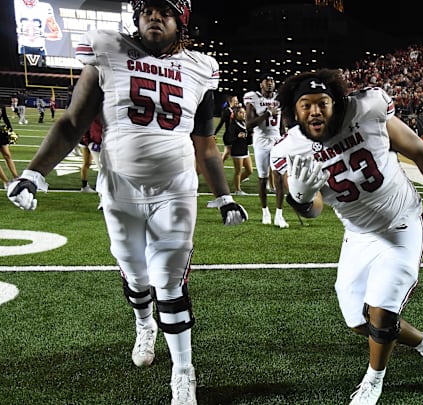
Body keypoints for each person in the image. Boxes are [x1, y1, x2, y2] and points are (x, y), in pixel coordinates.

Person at [6, 1, 249, 404]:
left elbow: (205, 145)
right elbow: (71, 123)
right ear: (136, 17)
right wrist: (33, 172)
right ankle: (144, 324)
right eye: (148, 10)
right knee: (137, 278)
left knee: (169, 283)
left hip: (176, 189)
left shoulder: (201, 66)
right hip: (119, 189)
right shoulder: (108, 48)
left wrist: (224, 196)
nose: (155, 16)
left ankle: (184, 372)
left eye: (165, 11)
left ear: (180, 21)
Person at [271, 69, 423, 405]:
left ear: (336, 102)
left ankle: (373, 381)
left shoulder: (367, 110)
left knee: (382, 313)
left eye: (322, 103)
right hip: (358, 233)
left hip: (401, 223)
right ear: (294, 110)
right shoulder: (293, 149)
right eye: (306, 105)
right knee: (357, 320)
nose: (315, 111)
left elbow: (418, 150)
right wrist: (301, 200)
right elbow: (315, 210)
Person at [244, 75, 288, 228]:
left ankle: (279, 215)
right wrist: (267, 114)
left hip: (276, 140)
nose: (270, 83)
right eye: (267, 81)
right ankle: (265, 212)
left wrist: (285, 138)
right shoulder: (253, 98)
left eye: (272, 81)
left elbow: (281, 124)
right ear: (261, 84)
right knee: (263, 178)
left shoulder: (279, 98)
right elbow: (248, 124)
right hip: (261, 141)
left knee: (279, 177)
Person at [227, 104, 253, 195]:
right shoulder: (233, 125)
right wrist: (237, 137)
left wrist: (251, 136)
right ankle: (237, 190)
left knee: (250, 170)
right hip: (237, 151)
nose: (243, 114)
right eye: (241, 113)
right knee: (238, 171)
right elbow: (228, 139)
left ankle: (236, 182)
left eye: (244, 113)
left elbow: (248, 140)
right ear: (236, 114)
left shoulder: (244, 123)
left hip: (245, 149)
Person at [79, 117, 103, 194]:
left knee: (90, 163)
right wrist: (88, 142)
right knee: (87, 163)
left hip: (93, 140)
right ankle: (84, 186)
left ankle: (99, 185)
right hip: (87, 140)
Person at [214, 94, 239, 162]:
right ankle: (218, 166)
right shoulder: (226, 112)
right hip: (228, 136)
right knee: (227, 153)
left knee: (231, 153)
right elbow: (220, 124)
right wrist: (214, 133)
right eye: (235, 101)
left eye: (237, 101)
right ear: (230, 102)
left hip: (236, 136)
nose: (237, 102)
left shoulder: (238, 111)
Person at [0, 103, 20, 188]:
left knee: (7, 155)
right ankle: (6, 182)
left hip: (0, 133)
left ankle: (16, 177)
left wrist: (11, 130)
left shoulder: (1, 104)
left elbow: (4, 117)